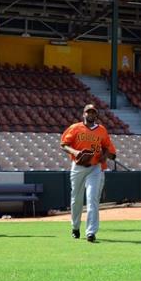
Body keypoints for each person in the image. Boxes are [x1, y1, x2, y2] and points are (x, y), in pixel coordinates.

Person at [60, 104, 117, 242]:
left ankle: (91, 232)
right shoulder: (75, 128)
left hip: (94, 168)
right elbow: (63, 144)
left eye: (93, 112)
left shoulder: (101, 130)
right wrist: (76, 152)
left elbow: (110, 152)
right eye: (88, 112)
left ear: (96, 115)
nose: (90, 114)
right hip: (78, 166)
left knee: (92, 199)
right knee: (76, 199)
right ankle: (75, 227)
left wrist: (104, 156)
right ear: (83, 114)